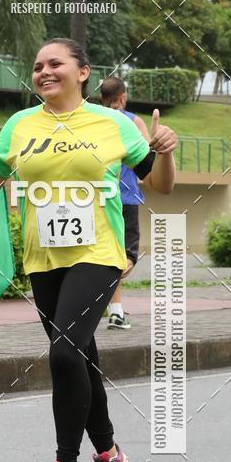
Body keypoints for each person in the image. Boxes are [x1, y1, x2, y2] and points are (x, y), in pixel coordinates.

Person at [0, 37, 177, 462]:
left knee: (63, 353)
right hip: (43, 259)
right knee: (80, 357)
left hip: (100, 253)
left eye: (55, 63)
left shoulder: (113, 123)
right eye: (37, 64)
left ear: (82, 72)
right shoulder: (21, 125)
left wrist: (163, 151)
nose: (43, 71)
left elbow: (160, 187)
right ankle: (108, 453)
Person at [100, 76, 150, 330]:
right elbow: (148, 158)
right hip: (126, 199)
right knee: (126, 257)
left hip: (98, 198)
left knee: (110, 254)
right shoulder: (133, 121)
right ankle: (97, 291)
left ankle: (116, 312)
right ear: (122, 97)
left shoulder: (94, 120)